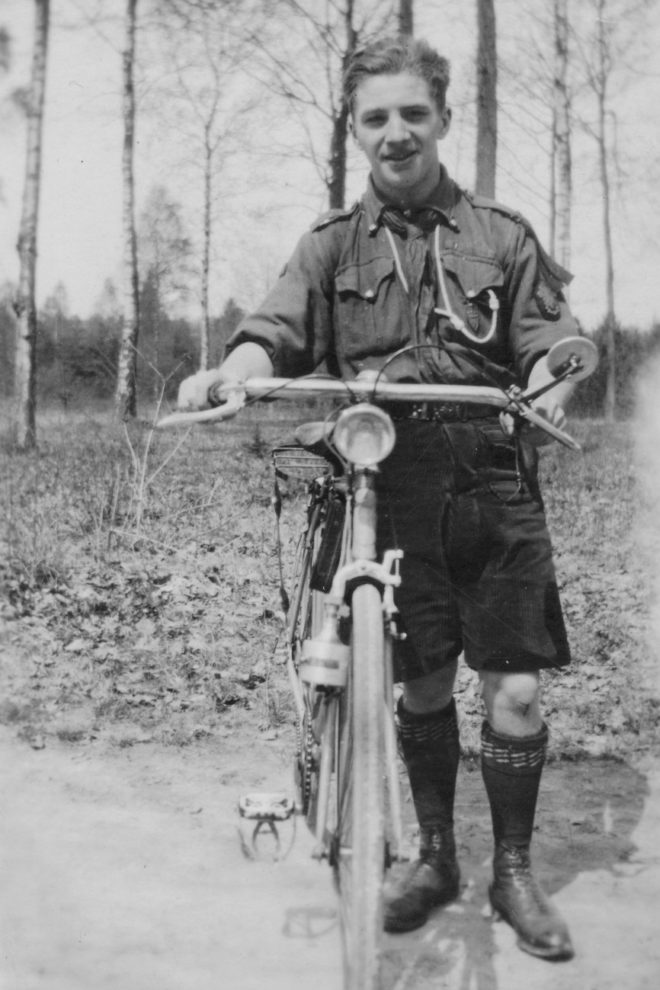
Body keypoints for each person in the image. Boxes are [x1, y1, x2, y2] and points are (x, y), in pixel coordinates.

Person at [179, 36, 581, 961]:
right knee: (423, 683)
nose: (396, 135)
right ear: (354, 130)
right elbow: (273, 331)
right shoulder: (327, 246)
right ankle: (433, 856)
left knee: (514, 693)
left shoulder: (502, 235)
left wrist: (556, 380)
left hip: (492, 481)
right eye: (375, 119)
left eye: (412, 114)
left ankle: (513, 871)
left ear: (441, 117)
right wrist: (227, 374)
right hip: (384, 482)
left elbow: (554, 344)